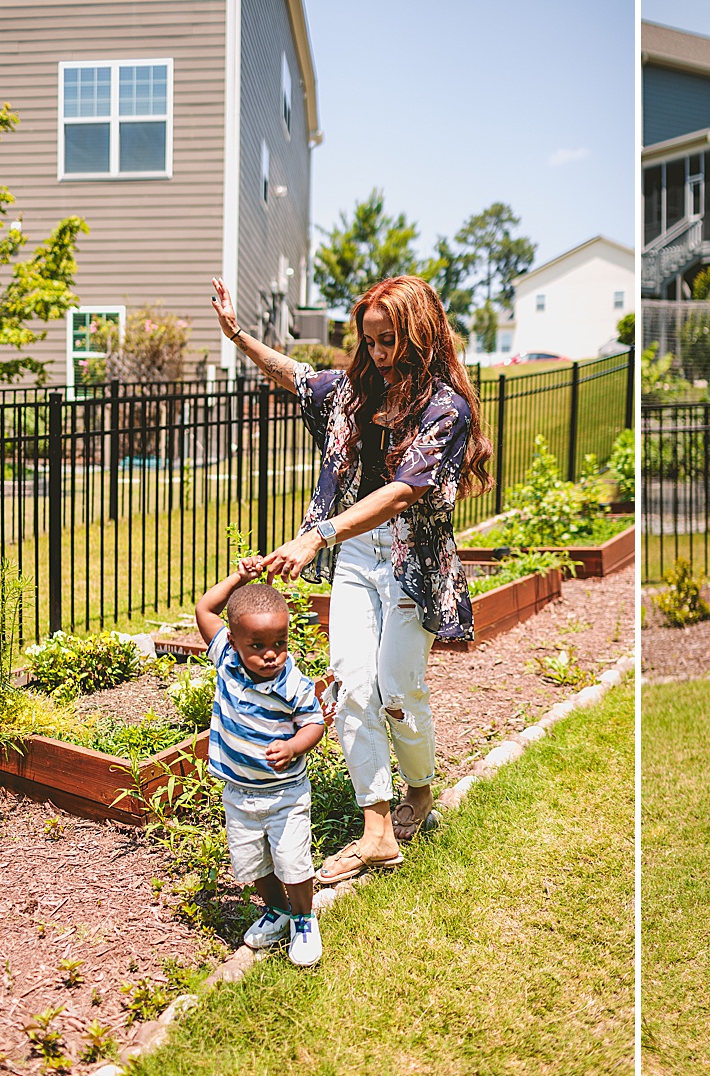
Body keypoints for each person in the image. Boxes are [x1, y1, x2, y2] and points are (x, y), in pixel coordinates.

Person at [209, 274, 492, 885]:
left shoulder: (447, 408)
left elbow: (403, 492)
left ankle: (420, 785)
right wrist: (238, 336)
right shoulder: (354, 393)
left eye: (390, 340)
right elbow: (293, 374)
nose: (379, 353)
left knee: (398, 689)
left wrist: (318, 534)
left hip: (413, 562)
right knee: (352, 683)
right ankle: (378, 829)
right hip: (358, 558)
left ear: (420, 336)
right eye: (370, 341)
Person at [196, 559, 326, 966]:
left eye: (279, 643)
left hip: (285, 793)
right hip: (239, 792)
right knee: (255, 861)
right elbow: (204, 609)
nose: (270, 655)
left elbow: (315, 723)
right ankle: (277, 912)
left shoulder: (293, 682)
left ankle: (304, 918)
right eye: (257, 646)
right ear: (234, 641)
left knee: (292, 860)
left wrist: (294, 746)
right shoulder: (226, 661)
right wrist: (241, 578)